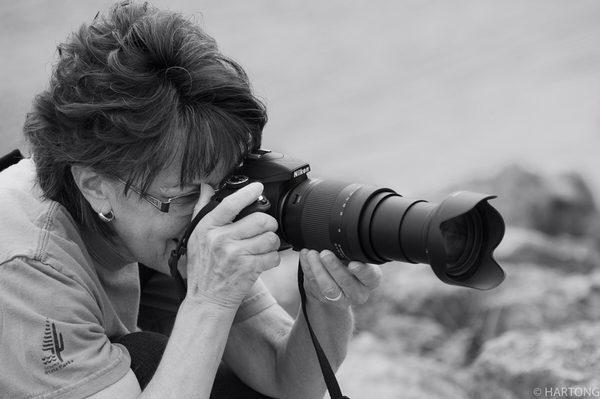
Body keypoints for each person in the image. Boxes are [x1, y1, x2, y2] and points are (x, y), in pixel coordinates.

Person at [0, 1, 382, 398]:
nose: (208, 213)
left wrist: (326, 301)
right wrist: (209, 300)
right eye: (183, 196)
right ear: (95, 186)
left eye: (224, 185)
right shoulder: (26, 267)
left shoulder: (159, 226)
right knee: (149, 358)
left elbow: (287, 382)